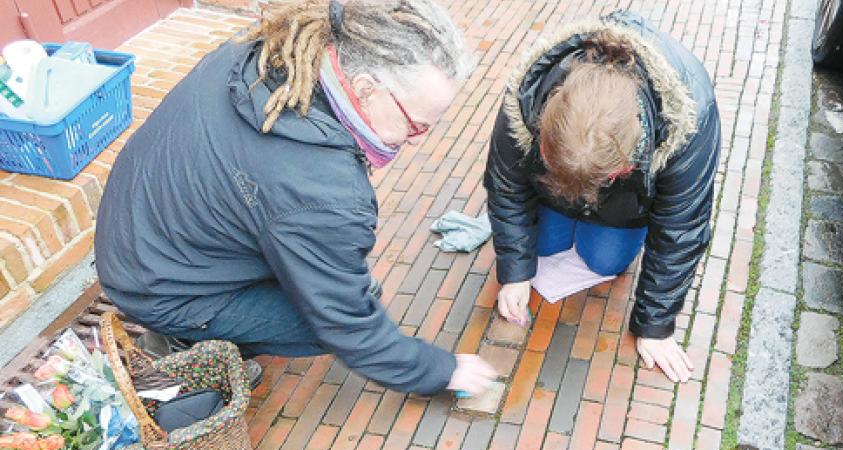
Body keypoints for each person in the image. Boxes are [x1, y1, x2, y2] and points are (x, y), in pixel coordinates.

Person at [94, 0, 496, 397]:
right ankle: (184, 342)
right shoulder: (323, 193)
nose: (415, 141)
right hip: (159, 287)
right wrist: (440, 370)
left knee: (321, 273)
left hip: (138, 236)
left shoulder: (272, 48)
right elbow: (348, 325)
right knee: (337, 315)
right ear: (365, 89)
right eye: (415, 126)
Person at [484, 11, 721, 383]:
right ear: (543, 134)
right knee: (541, 248)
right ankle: (559, 209)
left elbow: (681, 227)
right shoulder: (528, 94)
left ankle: (603, 223)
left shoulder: (690, 115)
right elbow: (506, 185)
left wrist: (655, 326)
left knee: (604, 261)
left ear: (624, 169)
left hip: (622, 206)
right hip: (554, 192)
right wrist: (514, 273)